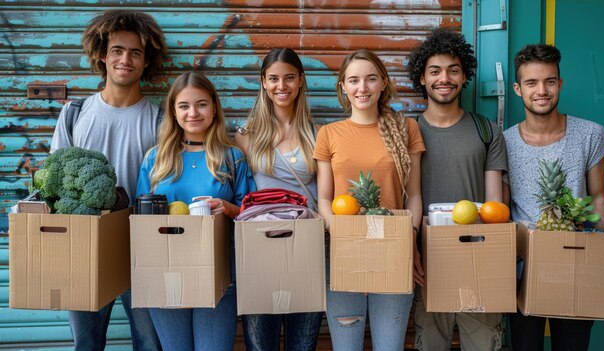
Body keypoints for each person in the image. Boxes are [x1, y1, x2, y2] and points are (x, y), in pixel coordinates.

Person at [50, 10, 166, 351]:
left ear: (147, 62)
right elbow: (52, 184)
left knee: (149, 344)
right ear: (103, 54)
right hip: (84, 249)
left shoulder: (160, 119)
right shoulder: (75, 113)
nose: (125, 59)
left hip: (141, 251)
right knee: (86, 344)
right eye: (117, 50)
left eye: (135, 52)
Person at [503, 43, 604, 351]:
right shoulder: (504, 142)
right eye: (532, 83)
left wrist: (599, 239)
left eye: (550, 81)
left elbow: (599, 196)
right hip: (524, 271)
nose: (542, 90)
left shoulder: (591, 134)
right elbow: (501, 208)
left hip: (577, 263)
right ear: (517, 88)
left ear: (560, 83)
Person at [313, 49, 425, 351]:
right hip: (340, 252)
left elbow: (413, 195)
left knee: (390, 346)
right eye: (354, 80)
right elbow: (324, 198)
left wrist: (410, 241)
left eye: (371, 79)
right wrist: (346, 241)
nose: (362, 88)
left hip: (394, 251)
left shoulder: (406, 129)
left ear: (383, 84)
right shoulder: (328, 133)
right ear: (343, 87)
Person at [136, 71, 256, 350]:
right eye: (184, 106)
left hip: (218, 275)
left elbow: (251, 216)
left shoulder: (232, 157)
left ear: (214, 108)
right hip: (165, 273)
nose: (193, 113)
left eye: (201, 104)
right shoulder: (155, 158)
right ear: (173, 112)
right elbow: (140, 221)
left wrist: (227, 208)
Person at [406, 29, 508, 351]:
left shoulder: (486, 130)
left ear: (465, 76)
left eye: (453, 70)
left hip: (479, 259)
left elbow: (495, 206)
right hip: (428, 264)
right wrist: (410, 250)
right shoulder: (408, 131)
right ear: (422, 78)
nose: (444, 78)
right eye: (434, 71)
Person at [234, 48, 323, 351]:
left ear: (301, 81)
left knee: (303, 345)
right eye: (273, 79)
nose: (281, 86)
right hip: (261, 250)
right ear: (263, 82)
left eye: (288, 78)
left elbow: (326, 197)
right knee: (261, 346)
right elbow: (241, 196)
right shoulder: (246, 135)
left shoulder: (318, 134)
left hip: (307, 249)